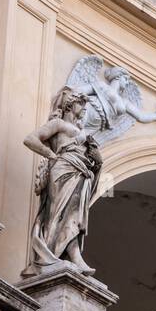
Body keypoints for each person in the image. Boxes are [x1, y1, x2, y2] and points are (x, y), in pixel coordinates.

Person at [23, 87, 103, 275]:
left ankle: (71, 255)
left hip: (81, 173)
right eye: (81, 104)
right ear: (70, 105)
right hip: (63, 170)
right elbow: (30, 139)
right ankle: (51, 257)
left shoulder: (81, 131)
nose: (85, 108)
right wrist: (53, 156)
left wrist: (96, 161)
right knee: (59, 213)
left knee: (75, 216)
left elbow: (94, 160)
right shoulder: (58, 124)